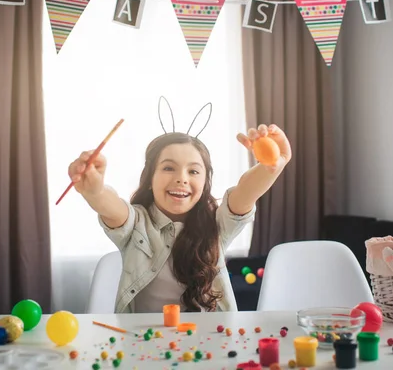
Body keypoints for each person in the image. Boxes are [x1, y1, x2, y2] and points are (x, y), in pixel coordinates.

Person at [68, 122, 292, 313]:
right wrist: (95, 191)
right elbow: (112, 207)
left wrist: (269, 168)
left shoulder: (217, 224)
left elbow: (245, 192)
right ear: (149, 178)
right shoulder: (136, 222)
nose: (181, 179)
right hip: (143, 344)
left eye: (193, 171)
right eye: (168, 168)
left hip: (210, 341)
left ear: (205, 182)